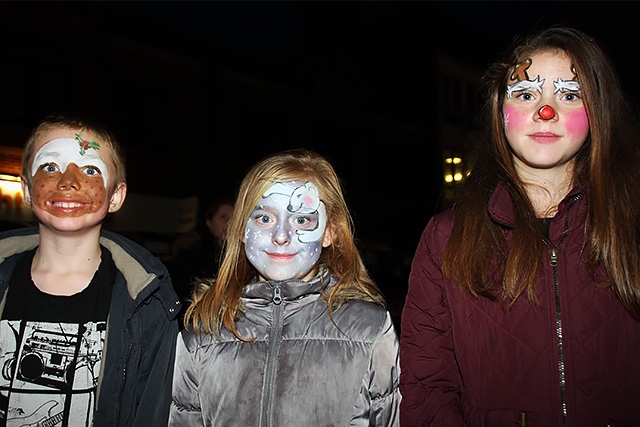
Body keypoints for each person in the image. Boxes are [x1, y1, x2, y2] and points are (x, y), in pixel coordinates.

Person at [400, 26, 640, 426]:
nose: (546, 112)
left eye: (568, 94)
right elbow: (427, 387)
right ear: (499, 110)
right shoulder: (446, 239)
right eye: (526, 94)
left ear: (598, 109)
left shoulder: (631, 227)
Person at [169, 148, 401, 426]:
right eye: (264, 218)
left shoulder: (369, 329)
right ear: (242, 230)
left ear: (329, 232)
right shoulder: (203, 330)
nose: (281, 235)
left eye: (302, 219)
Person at [0, 113, 181, 426]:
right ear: (27, 189)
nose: (68, 181)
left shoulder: (149, 306)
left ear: (115, 196)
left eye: (89, 169)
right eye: (50, 166)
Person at [170, 198, 234, 327]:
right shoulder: (190, 256)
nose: (229, 222)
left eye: (233, 217)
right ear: (209, 223)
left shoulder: (245, 257)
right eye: (223, 217)